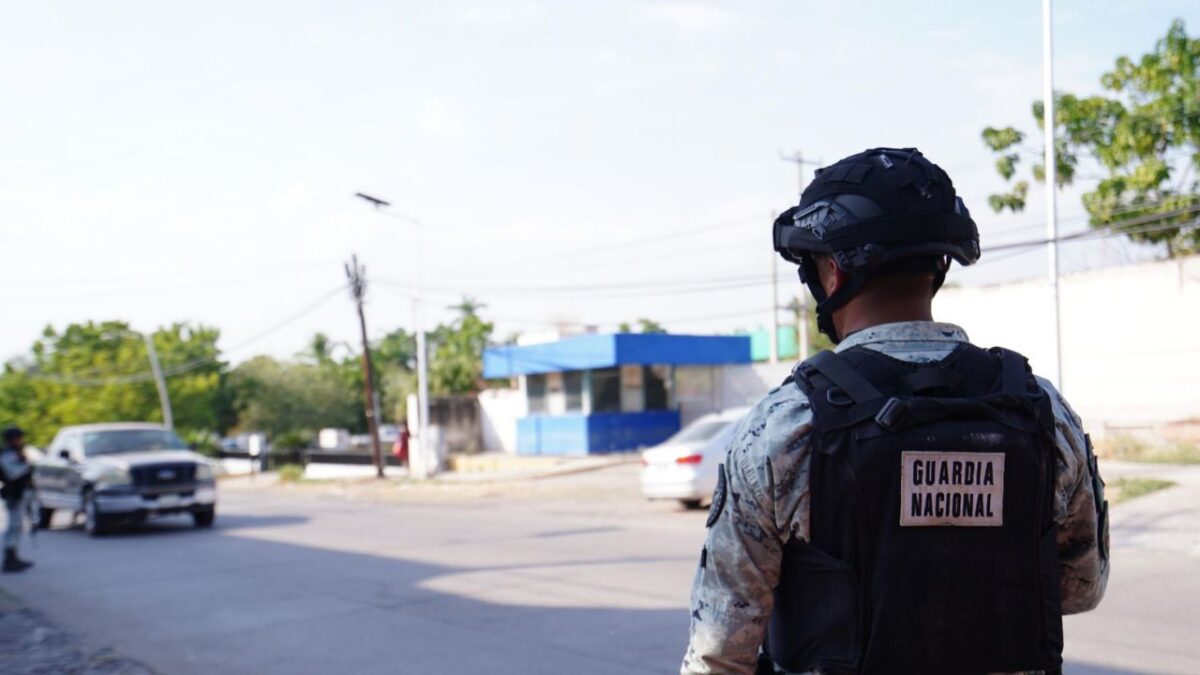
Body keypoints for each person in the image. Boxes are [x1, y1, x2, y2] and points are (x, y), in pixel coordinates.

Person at [681, 148, 1109, 675]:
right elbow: (1081, 586)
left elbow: (722, 647)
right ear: (938, 266)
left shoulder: (787, 426)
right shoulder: (1043, 412)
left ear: (832, 272)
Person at [0, 426, 35, 573]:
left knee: (18, 525)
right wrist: (27, 466)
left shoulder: (15, 453)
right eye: (18, 438)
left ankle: (14, 557)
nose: (20, 440)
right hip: (12, 494)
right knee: (14, 526)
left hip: (19, 493)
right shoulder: (6, 455)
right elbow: (14, 473)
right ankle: (9, 558)